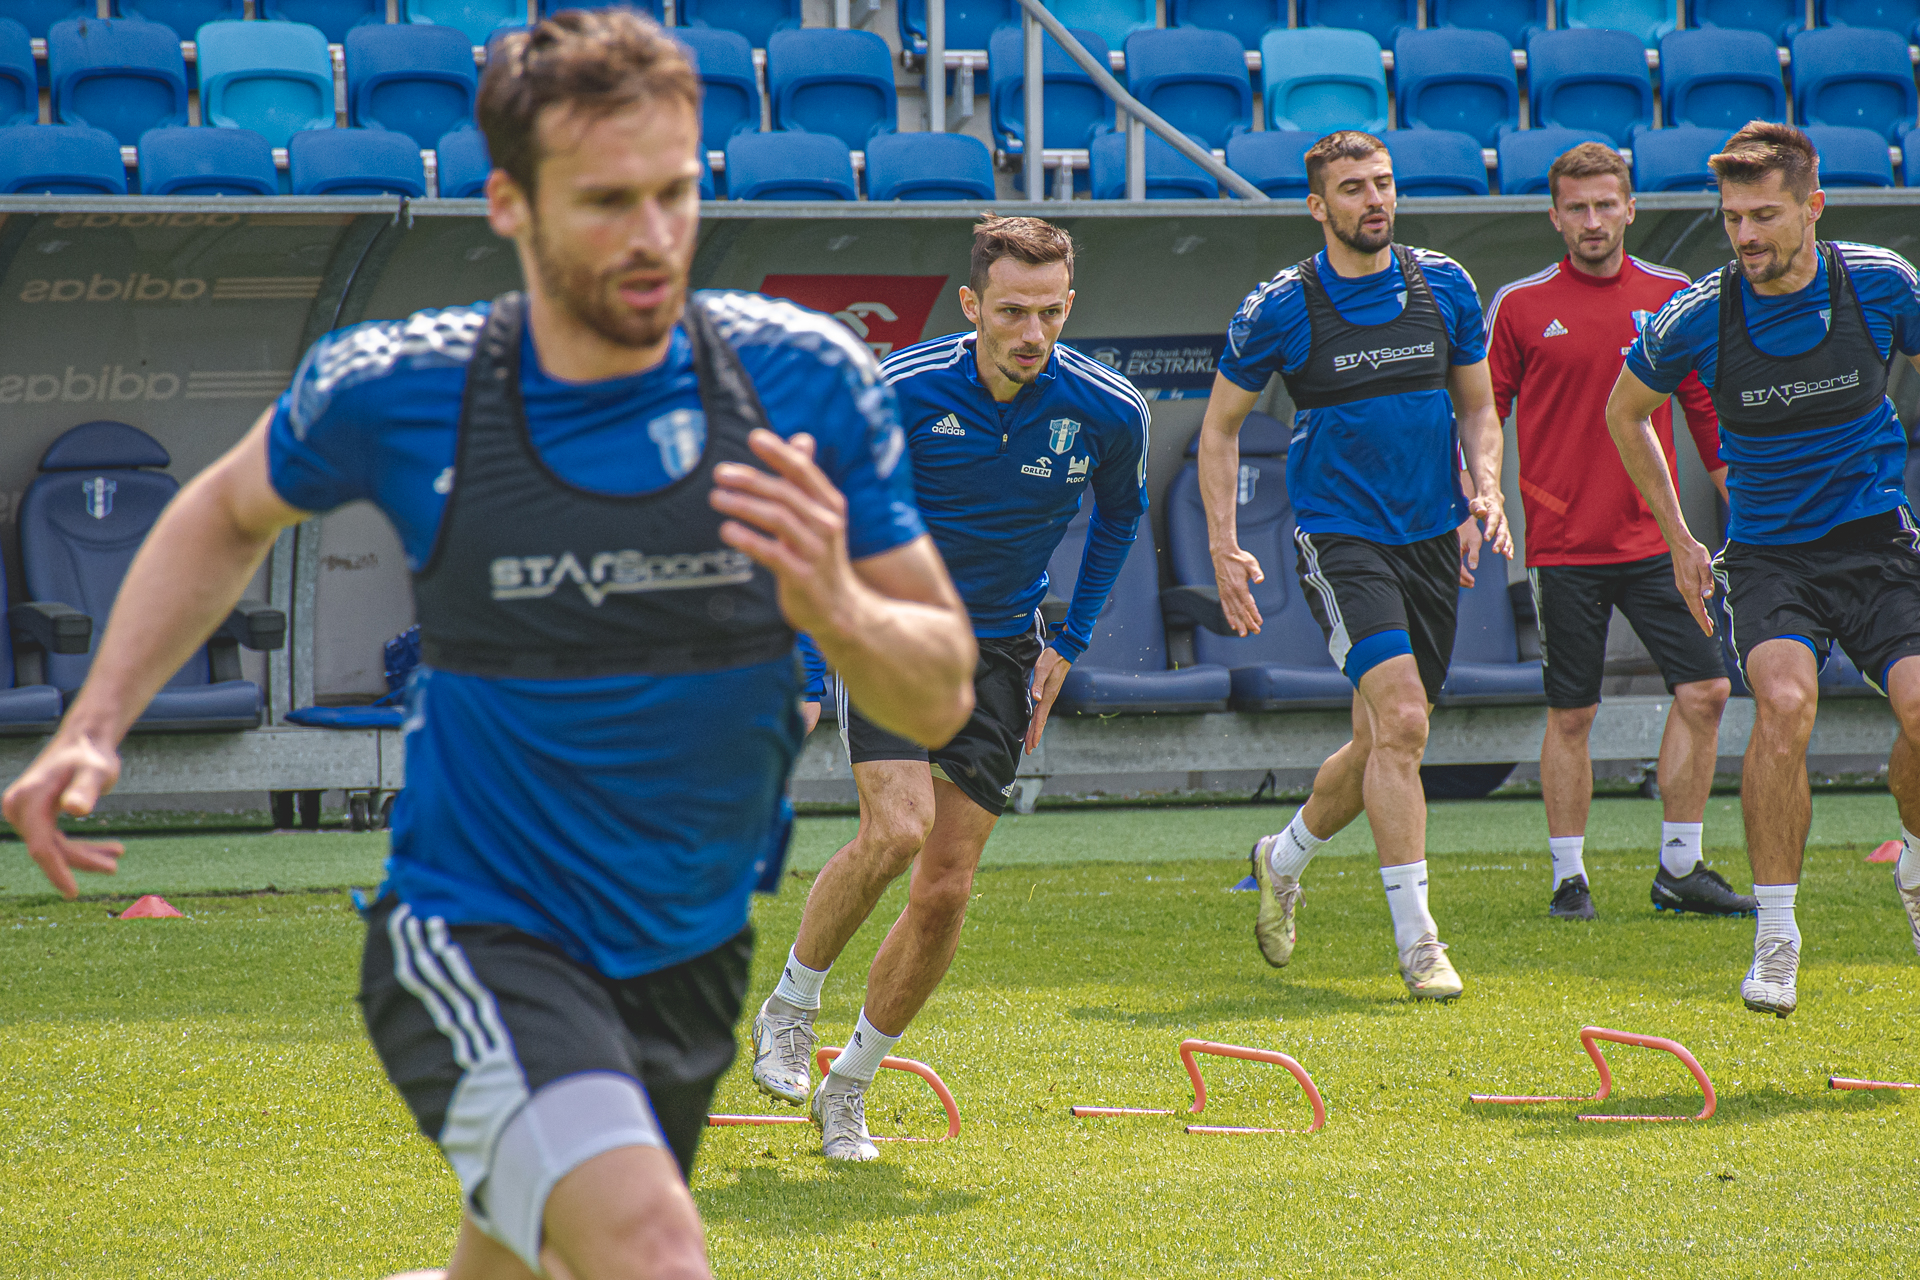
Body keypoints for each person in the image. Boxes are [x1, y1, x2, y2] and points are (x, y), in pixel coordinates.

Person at [0, 13, 977, 1280]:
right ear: (511, 204)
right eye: (606, 200)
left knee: (522, 1264)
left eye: (675, 193)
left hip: (683, 945)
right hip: (477, 926)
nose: (653, 235)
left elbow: (940, 693)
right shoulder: (403, 384)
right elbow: (223, 510)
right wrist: (94, 721)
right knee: (649, 1247)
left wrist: (838, 603)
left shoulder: (806, 380)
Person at [748, 215, 1150, 1160]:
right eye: (1011, 311)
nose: (1032, 332)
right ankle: (791, 1007)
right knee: (898, 830)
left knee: (945, 888)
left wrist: (1070, 640)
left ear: (1069, 306)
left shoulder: (1109, 409)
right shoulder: (898, 390)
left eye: (1050, 312)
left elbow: (1120, 516)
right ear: (971, 305)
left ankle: (848, 1088)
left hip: (1003, 652)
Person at [1607, 120, 1920, 1018]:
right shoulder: (1699, 314)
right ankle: (1776, 937)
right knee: (1784, 703)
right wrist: (1680, 536)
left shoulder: (1881, 283)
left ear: (1813, 207)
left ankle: (1913, 860)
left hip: (1878, 545)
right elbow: (1625, 412)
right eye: (1732, 217)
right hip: (1771, 557)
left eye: (1764, 216)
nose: (1744, 235)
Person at [1198, 130, 1509, 1002]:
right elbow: (1219, 430)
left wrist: (1484, 489)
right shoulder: (1280, 307)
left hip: (1430, 537)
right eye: (1352, 188)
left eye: (1383, 183)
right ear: (1317, 205)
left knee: (1381, 742)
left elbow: (1479, 409)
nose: (1374, 199)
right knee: (1404, 720)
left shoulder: (1445, 285)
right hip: (1340, 539)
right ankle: (1420, 944)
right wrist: (1224, 545)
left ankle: (1281, 857)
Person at [1485, 141, 1751, 922]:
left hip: (1660, 543)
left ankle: (1680, 868)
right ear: (1555, 217)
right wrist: (1481, 493)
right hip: (1564, 546)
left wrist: (1745, 508)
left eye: (1607, 204)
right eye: (1578, 208)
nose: (1593, 220)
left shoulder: (1673, 296)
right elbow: (1484, 409)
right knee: (1573, 713)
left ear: (1631, 208)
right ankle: (1569, 879)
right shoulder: (1520, 305)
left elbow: (1705, 411)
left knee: (1706, 690)